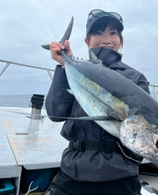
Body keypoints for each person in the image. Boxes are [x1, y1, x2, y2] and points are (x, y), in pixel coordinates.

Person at [45, 9, 150, 195]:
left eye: (113, 33)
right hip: (72, 172)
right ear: (87, 41)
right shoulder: (76, 69)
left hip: (119, 177)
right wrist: (63, 65)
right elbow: (54, 113)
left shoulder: (135, 78)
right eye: (98, 33)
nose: (106, 39)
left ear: (121, 40)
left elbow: (145, 127)